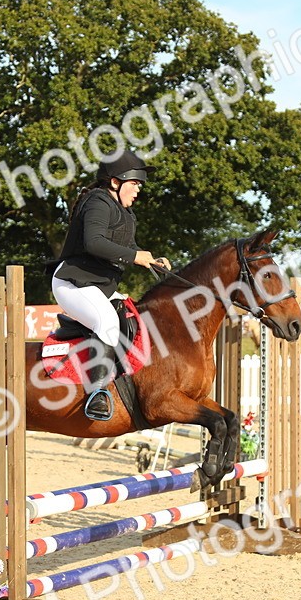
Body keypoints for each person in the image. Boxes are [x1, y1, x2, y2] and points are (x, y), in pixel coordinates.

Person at [49, 149, 170, 421]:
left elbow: (128, 248)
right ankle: (97, 395)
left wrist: (151, 260)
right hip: (73, 283)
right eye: (135, 183)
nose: (138, 190)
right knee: (107, 322)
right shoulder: (97, 202)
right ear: (115, 182)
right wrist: (135, 256)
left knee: (132, 319)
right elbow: (94, 242)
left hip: (99, 287)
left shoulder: (125, 214)